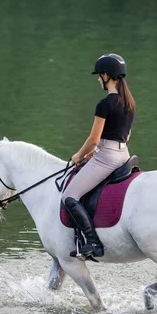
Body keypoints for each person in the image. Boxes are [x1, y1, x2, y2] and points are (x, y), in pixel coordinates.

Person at [62, 53, 136, 258]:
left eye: (99, 75)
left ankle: (93, 242)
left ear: (106, 75)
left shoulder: (105, 104)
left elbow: (94, 139)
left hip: (107, 158)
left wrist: (78, 156)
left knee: (69, 196)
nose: (97, 79)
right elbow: (126, 135)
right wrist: (95, 152)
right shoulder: (129, 103)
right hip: (123, 155)